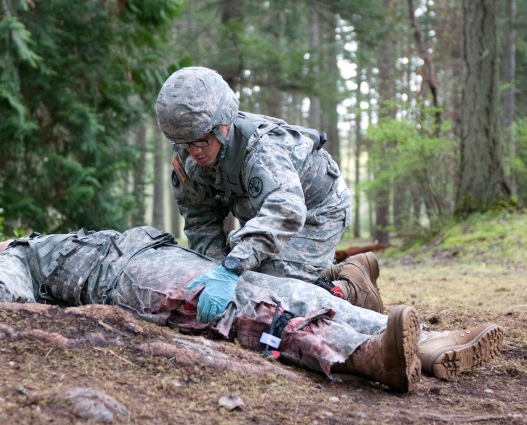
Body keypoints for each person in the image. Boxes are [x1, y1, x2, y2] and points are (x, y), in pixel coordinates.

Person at [0, 227, 503, 392]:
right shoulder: (21, 255)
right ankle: (367, 356)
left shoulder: (54, 241)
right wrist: (1, 264)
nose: (8, 241)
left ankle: (424, 343)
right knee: (252, 308)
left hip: (156, 259)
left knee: (283, 289)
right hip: (130, 279)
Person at [155, 66, 382, 315]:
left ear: (224, 124)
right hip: (265, 215)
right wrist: (214, 268)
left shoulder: (262, 149)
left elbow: (287, 211)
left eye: (201, 140)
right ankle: (328, 270)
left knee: (271, 294)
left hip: (316, 211)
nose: (194, 151)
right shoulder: (188, 159)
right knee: (240, 281)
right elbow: (200, 221)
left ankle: (351, 287)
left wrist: (232, 267)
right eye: (185, 143)